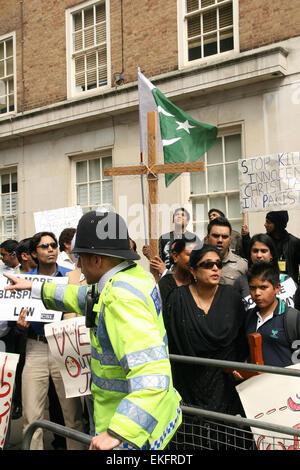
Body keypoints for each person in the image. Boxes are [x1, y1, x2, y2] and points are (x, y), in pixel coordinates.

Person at [4, 210, 182, 451]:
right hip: (142, 422)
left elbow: (152, 374)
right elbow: (78, 296)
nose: (77, 265)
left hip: (127, 432)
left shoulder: (120, 298)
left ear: (97, 260)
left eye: (80, 258)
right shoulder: (129, 278)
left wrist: (119, 431)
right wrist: (33, 286)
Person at [14, 231, 85, 450]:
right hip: (35, 347)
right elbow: (14, 318)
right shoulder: (25, 281)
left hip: (64, 346)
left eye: (53, 245)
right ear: (34, 253)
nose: (51, 249)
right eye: (44, 246)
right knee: (31, 416)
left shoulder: (70, 277)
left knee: (73, 416)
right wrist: (20, 326)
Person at [163, 245, 248, 415]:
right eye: (208, 265)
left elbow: (241, 341)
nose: (215, 268)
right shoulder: (178, 298)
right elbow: (169, 341)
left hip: (225, 386)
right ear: (193, 271)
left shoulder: (232, 298)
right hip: (187, 383)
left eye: (218, 264)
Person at [245, 262, 300, 367]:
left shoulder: (293, 318)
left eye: (263, 287)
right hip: (254, 381)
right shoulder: (248, 316)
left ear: (277, 288)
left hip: (284, 382)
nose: (257, 293)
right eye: (252, 288)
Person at [234, 233, 297, 311]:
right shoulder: (241, 282)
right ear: (250, 254)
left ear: (271, 255)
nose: (259, 255)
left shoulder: (287, 280)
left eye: (263, 251)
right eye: (255, 251)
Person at [242, 211, 300, 285]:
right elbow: (250, 255)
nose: (265, 225)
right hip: (267, 285)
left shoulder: (294, 242)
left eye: (268, 222)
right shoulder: (265, 241)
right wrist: (246, 237)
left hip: (289, 288)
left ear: (278, 224)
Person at [143, 207, 201, 273]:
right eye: (177, 215)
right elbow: (158, 258)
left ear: (187, 221)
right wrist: (149, 255)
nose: (179, 216)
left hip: (187, 275)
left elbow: (198, 259)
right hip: (166, 275)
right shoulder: (164, 238)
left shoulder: (193, 238)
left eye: (182, 215)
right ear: (173, 220)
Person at [206, 216, 248, 286]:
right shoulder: (198, 264)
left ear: (230, 240)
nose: (220, 240)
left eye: (224, 237)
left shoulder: (242, 265)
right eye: (216, 236)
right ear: (207, 238)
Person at [158, 237, 196, 313]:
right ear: (175, 256)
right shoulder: (164, 285)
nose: (194, 259)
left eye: (196, 255)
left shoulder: (198, 282)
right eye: (189, 255)